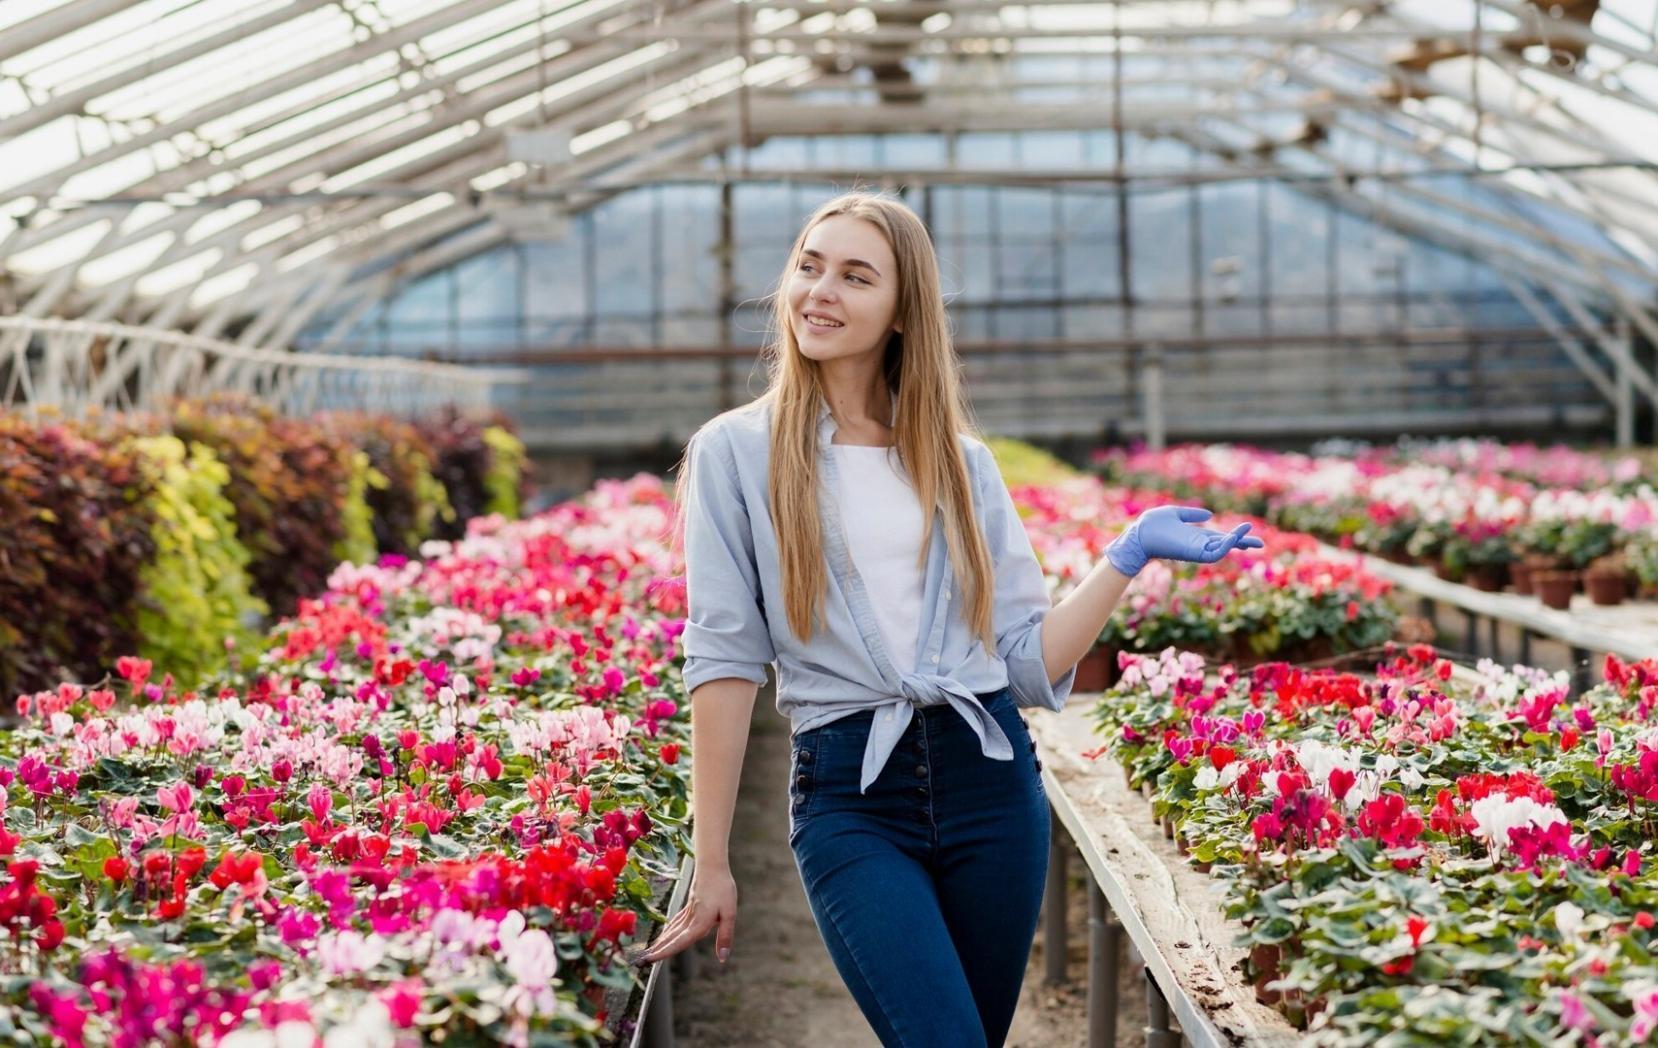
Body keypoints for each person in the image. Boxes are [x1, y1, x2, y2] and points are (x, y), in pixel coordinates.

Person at [629, 190, 1262, 1047]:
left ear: (900, 312)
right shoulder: (736, 452)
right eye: (809, 267)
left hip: (991, 786)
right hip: (851, 796)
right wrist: (711, 861)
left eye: (856, 276)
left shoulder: (957, 462)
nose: (820, 291)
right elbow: (725, 659)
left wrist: (1125, 557)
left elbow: (1028, 666)